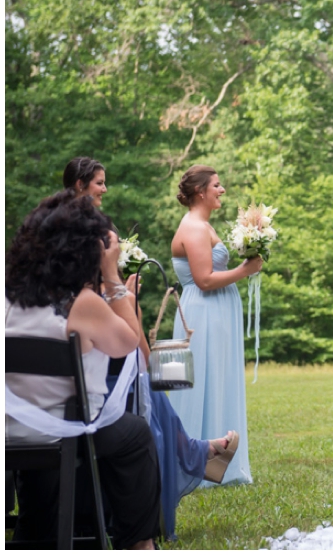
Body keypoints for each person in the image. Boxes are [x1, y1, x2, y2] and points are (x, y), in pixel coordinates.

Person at [64, 157, 238, 539]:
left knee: (148, 395)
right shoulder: (87, 299)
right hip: (81, 415)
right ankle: (190, 465)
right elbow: (137, 354)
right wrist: (119, 290)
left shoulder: (21, 305)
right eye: (98, 182)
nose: (105, 189)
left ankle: (199, 450)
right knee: (147, 400)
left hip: (28, 419)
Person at [5, 191, 161, 549]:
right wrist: (111, 276)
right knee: (134, 434)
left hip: (8, 430)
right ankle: (139, 544)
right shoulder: (81, 302)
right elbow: (127, 342)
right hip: (63, 432)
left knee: (43, 439)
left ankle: (37, 534)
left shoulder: (5, 294)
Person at [168, 165, 261, 487]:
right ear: (200, 192)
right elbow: (205, 280)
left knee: (218, 381)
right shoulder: (194, 227)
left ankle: (220, 462)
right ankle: (198, 464)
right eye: (217, 186)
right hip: (204, 314)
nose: (222, 190)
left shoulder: (203, 225)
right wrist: (244, 270)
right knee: (204, 382)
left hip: (217, 312)